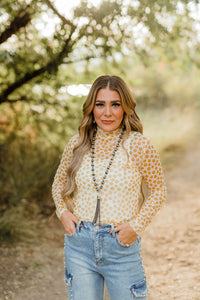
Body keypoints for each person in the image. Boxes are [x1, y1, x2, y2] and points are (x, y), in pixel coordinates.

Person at [52, 75, 167, 300]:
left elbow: (159, 191)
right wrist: (63, 212)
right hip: (79, 246)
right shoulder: (77, 144)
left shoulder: (140, 145)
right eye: (100, 104)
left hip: (120, 248)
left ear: (125, 107)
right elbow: (58, 184)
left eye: (115, 104)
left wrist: (136, 226)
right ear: (91, 108)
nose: (107, 113)